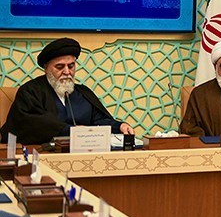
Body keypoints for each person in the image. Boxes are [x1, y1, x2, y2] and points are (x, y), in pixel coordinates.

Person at [0, 37, 134, 145]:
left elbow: (99, 120)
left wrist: (119, 126)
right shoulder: (31, 91)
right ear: (46, 68)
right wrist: (71, 131)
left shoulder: (83, 93)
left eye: (71, 66)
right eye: (60, 67)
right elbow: (32, 125)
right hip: (44, 156)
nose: (67, 72)